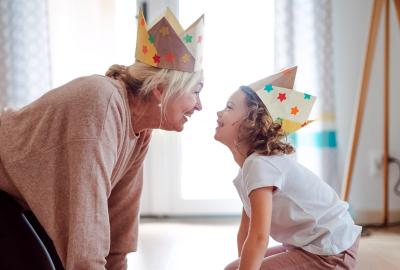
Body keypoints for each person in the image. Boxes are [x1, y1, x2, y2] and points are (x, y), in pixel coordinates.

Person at [0, 8, 204, 269]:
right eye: (195, 92)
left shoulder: (141, 128)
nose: (199, 106)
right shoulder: (102, 104)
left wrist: (116, 264)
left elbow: (121, 208)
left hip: (23, 197)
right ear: (160, 90)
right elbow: (86, 215)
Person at [215, 68, 362, 270]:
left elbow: (259, 238)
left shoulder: (260, 165)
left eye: (229, 107)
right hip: (309, 246)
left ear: (252, 123)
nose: (219, 112)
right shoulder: (249, 169)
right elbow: (246, 232)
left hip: (331, 251)